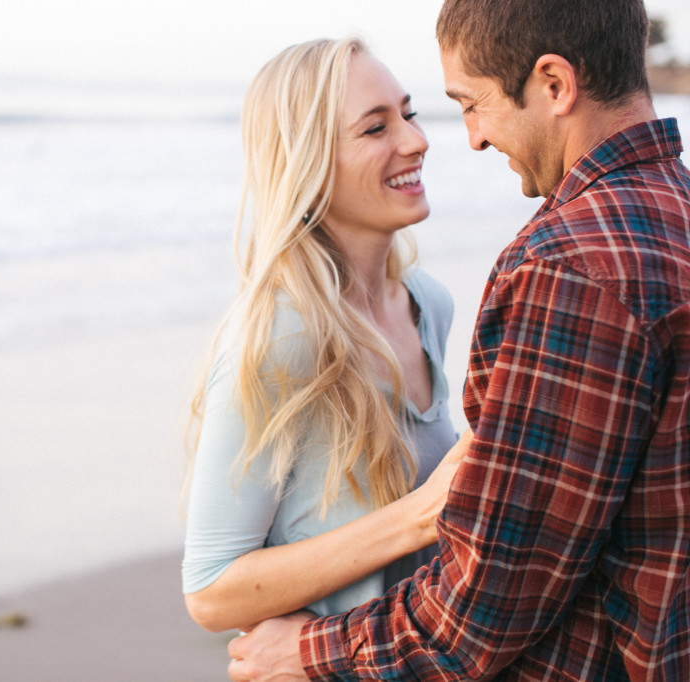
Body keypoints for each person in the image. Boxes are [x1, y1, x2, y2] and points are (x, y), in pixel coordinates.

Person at [227, 0, 690, 679]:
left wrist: (303, 651)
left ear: (555, 85)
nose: (470, 137)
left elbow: (480, 613)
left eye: (473, 103)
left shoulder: (568, 267)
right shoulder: (676, 209)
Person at [182, 37, 472, 636]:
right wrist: (418, 516)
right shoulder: (281, 338)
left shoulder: (428, 305)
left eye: (409, 114)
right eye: (374, 129)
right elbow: (211, 591)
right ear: (308, 160)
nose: (416, 141)